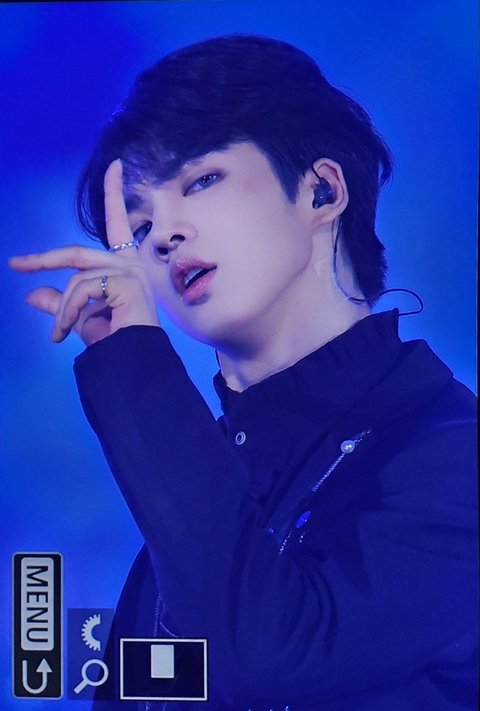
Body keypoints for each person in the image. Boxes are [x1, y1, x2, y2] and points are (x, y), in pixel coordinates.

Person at [9, 35, 477, 711]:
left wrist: (138, 370)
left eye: (200, 180)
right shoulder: (186, 521)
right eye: (140, 226)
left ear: (321, 190)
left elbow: (268, 657)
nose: (163, 235)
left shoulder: (452, 455)